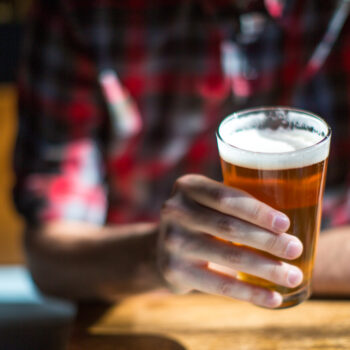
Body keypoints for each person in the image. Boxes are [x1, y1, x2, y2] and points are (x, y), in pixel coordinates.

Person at [13, 0, 350, 308]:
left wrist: (222, 262)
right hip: (140, 306)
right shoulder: (82, 11)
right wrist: (155, 254)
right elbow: (49, 257)